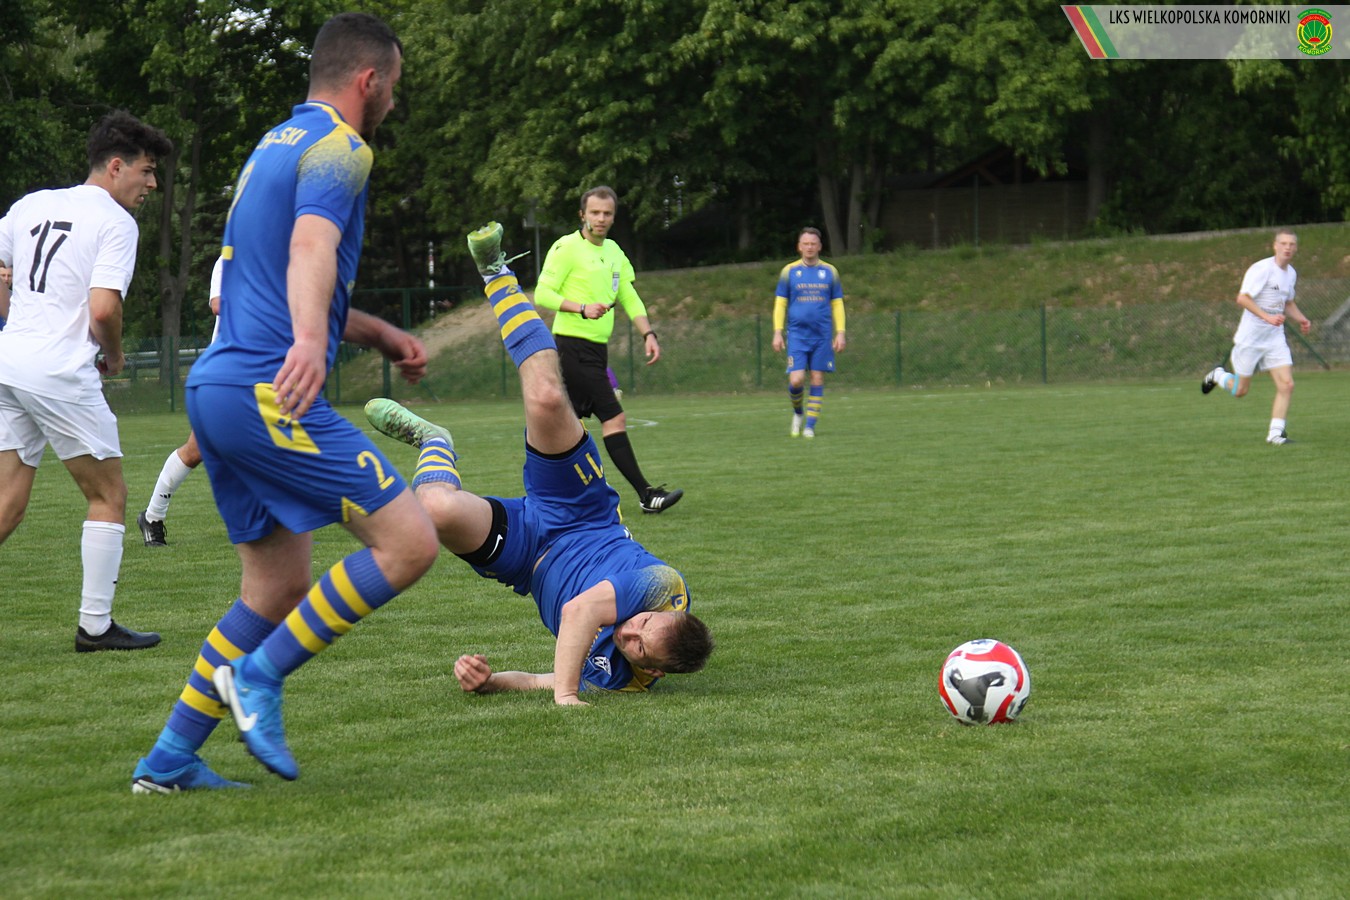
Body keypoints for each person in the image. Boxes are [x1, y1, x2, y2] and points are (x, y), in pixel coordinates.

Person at [131, 12, 439, 794]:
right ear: (368, 80)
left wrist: (373, 332)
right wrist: (307, 341)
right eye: (394, 87)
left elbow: (272, 273)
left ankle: (168, 760)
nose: (394, 102)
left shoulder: (274, 145)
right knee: (409, 543)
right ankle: (259, 677)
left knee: (274, 588)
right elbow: (309, 249)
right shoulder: (343, 147)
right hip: (267, 388)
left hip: (217, 387)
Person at [364, 221, 713, 704]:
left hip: (527, 557)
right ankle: (496, 273)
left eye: (637, 646)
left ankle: (434, 441)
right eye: (644, 623)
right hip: (583, 513)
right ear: (664, 613)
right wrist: (567, 698)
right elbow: (578, 613)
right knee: (548, 397)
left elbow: (539, 679)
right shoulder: (662, 587)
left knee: (435, 510)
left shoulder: (624, 679)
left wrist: (490, 681)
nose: (630, 631)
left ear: (652, 670)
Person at [0, 110, 172, 652]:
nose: (152, 184)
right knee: (109, 495)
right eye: (147, 171)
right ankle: (95, 627)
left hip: (9, 363)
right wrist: (115, 356)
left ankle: (96, 625)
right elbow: (102, 309)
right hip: (58, 371)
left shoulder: (32, 204)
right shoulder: (116, 223)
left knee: (7, 500)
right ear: (116, 166)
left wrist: (12, 316)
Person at [531, 186, 682, 514]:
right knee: (614, 417)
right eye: (595, 212)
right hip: (571, 348)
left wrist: (648, 333)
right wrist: (582, 308)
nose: (601, 218)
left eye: (607, 213)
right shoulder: (567, 247)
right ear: (582, 214)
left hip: (597, 351)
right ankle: (646, 494)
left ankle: (546, 500)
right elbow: (542, 293)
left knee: (563, 426)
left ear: (613, 217)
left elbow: (628, 295)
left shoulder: (614, 251)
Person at [135, 256, 223, 547]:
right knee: (196, 450)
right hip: (227, 370)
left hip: (269, 370)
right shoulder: (232, 257)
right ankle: (152, 516)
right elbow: (218, 304)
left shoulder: (285, 261)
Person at [1202, 229, 1311, 445]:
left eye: (1291, 244)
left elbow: (1288, 302)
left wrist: (1301, 319)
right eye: (1283, 243)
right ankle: (1218, 375)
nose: (1288, 247)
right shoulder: (1261, 269)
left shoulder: (1291, 274)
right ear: (1275, 246)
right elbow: (1242, 298)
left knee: (1287, 385)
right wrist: (1267, 317)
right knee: (1240, 390)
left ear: (1296, 248)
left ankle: (1275, 434)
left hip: (1274, 338)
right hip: (1250, 339)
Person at [772, 227, 846, 438]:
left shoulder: (830, 272)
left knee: (817, 378)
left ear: (820, 246)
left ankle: (809, 427)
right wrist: (777, 332)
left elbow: (837, 303)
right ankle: (798, 413)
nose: (809, 247)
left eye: (813, 243)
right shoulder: (789, 271)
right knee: (796, 380)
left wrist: (840, 332)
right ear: (799, 246)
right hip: (797, 335)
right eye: (806, 243)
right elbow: (780, 303)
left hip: (822, 335)